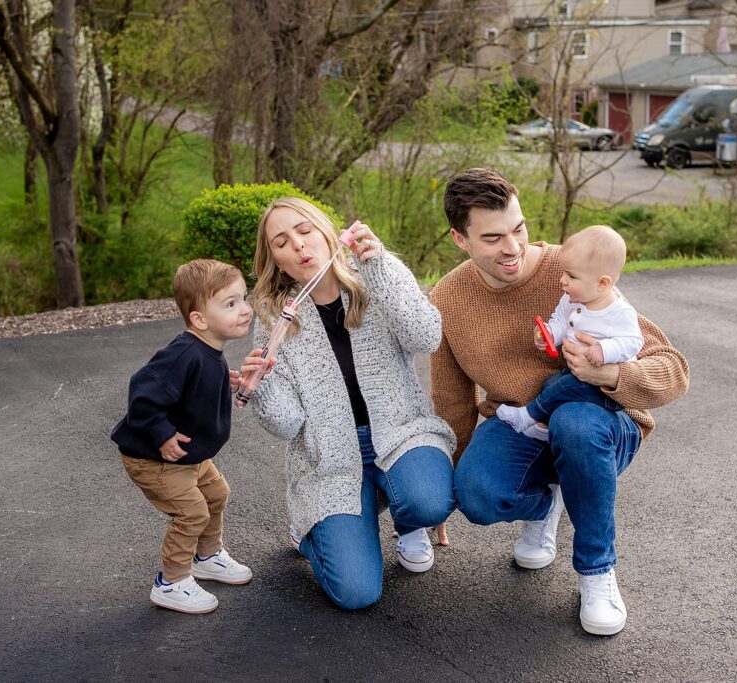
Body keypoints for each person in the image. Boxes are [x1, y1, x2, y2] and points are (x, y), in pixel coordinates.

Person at [429, 169, 689, 636]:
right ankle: (544, 502)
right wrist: (445, 489)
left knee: (574, 421)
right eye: (493, 237)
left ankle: (596, 573)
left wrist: (610, 373)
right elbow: (452, 401)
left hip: (600, 425)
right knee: (478, 495)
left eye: (519, 229)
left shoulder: (571, 269)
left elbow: (672, 370)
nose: (513, 248)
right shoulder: (448, 298)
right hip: (516, 426)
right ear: (459, 238)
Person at [248, 197, 456, 610]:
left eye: (304, 231)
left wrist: (380, 269)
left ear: (327, 232)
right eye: (282, 242)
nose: (299, 246)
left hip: (401, 435)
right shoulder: (276, 318)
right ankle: (311, 532)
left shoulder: (377, 273)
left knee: (428, 500)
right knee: (357, 593)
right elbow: (289, 423)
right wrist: (263, 387)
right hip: (329, 460)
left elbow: (425, 337)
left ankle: (404, 517)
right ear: (275, 260)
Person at [111, 259, 255, 615]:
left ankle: (207, 557)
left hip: (191, 455)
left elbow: (197, 391)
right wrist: (161, 434)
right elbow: (142, 393)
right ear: (199, 319)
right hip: (157, 457)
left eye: (244, 299)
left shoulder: (211, 350)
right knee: (192, 512)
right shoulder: (183, 354)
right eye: (231, 304)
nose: (245, 310)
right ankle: (172, 582)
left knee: (216, 494)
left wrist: (227, 382)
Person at [496, 224, 644, 439]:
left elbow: (633, 341)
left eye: (572, 276)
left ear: (602, 283)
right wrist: (549, 334)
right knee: (552, 383)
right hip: (577, 373)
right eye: (564, 273)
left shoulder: (619, 312)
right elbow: (560, 321)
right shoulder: (571, 298)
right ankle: (545, 429)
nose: (562, 280)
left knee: (564, 387)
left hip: (606, 390)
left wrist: (604, 349)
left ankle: (528, 416)